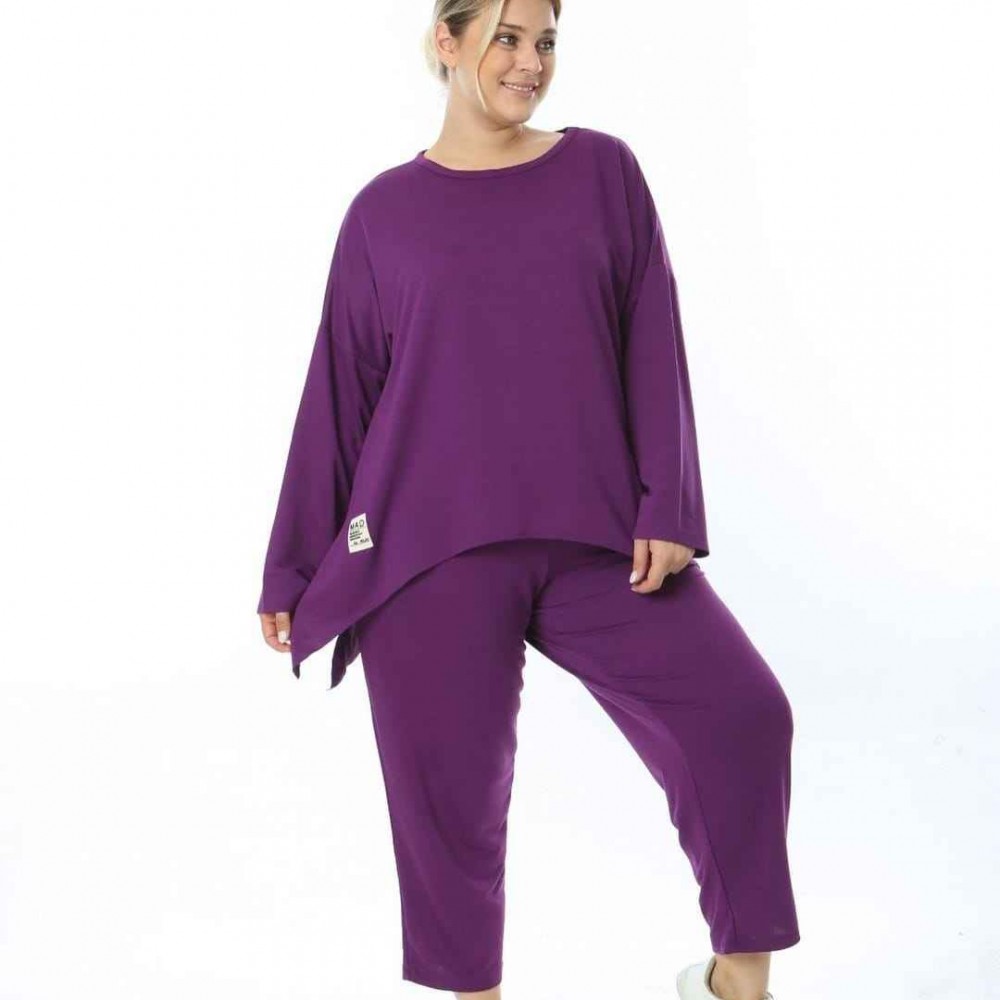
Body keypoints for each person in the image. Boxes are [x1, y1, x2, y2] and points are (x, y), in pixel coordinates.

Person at [254, 1, 801, 997]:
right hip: (426, 552)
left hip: (597, 538)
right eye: (506, 37)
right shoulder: (382, 214)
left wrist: (669, 505)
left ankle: (736, 982)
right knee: (451, 810)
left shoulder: (602, 171)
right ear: (447, 42)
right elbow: (339, 394)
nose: (530, 62)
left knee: (741, 714)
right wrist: (292, 565)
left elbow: (652, 339)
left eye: (546, 41)